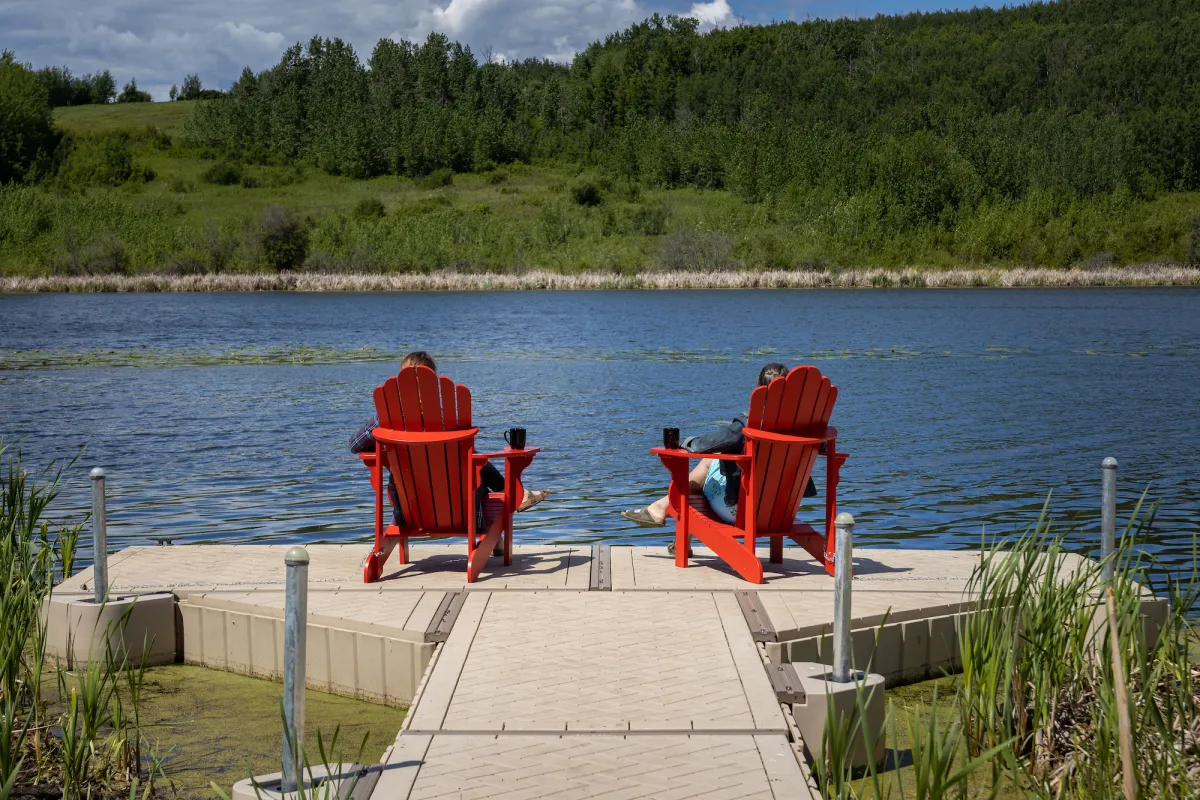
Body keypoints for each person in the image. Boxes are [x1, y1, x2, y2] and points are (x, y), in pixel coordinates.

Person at [350, 351, 549, 538]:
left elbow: (355, 444)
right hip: (458, 507)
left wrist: (387, 447)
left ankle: (513, 496)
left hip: (409, 507)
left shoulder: (385, 418)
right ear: (433, 383)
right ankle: (513, 495)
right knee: (473, 464)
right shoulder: (448, 419)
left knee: (471, 461)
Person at [621, 362, 817, 549]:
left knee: (710, 459)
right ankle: (665, 516)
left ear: (758, 390)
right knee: (715, 462)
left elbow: (704, 445)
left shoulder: (749, 425)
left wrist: (684, 443)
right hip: (782, 512)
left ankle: (660, 508)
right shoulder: (805, 428)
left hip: (743, 513)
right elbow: (823, 445)